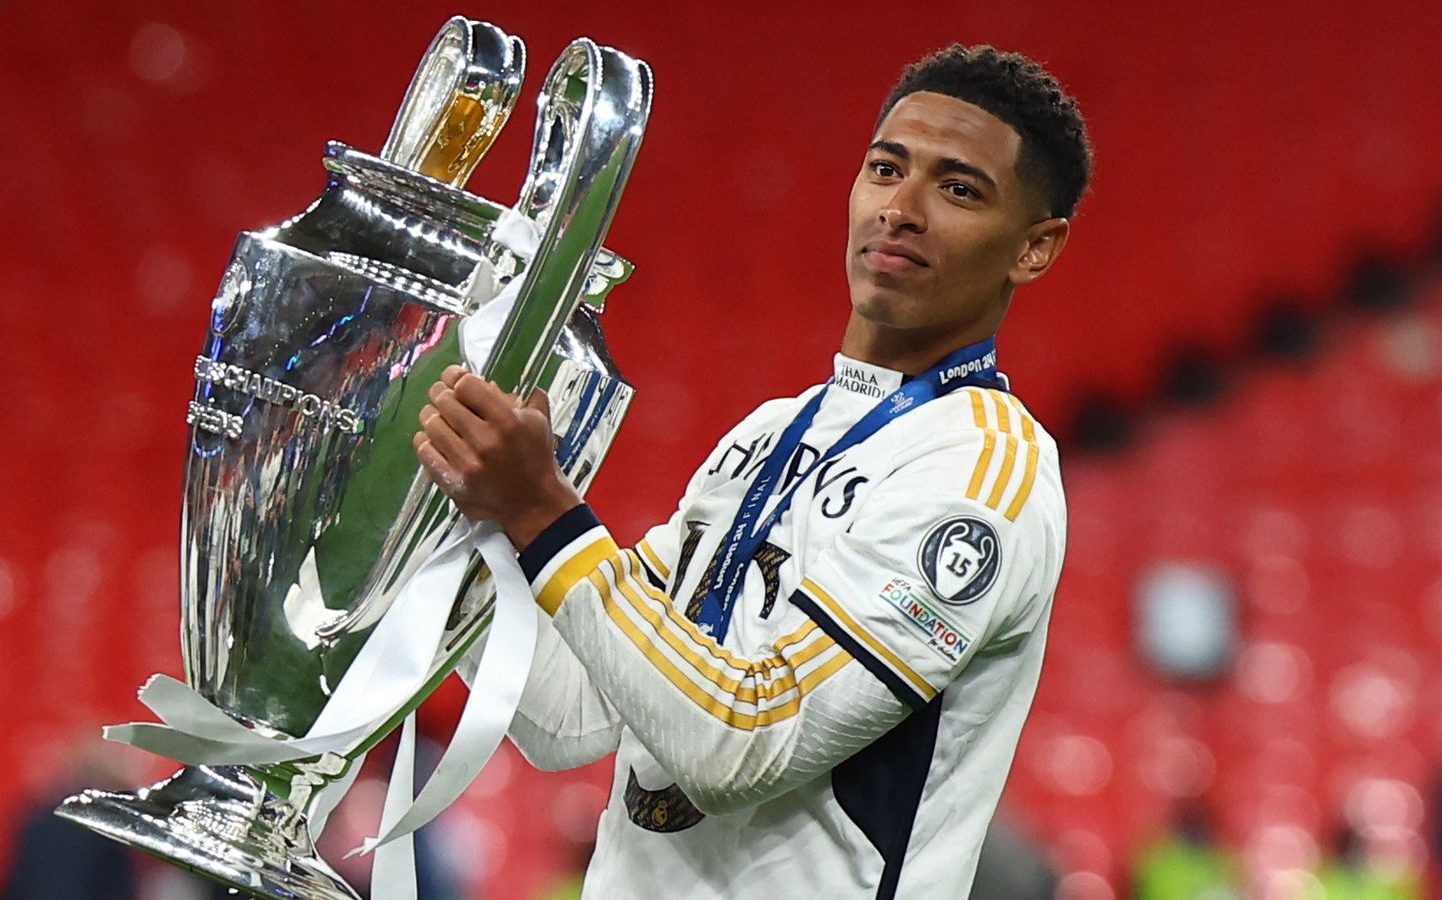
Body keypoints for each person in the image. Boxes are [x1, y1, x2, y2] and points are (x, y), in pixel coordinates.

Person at [418, 43, 1090, 900]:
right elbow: (568, 714)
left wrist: (543, 513)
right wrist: (461, 514)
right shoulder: (771, 433)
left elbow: (743, 741)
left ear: (1034, 248)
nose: (902, 208)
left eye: (957, 189)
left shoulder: (986, 472)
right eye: (886, 169)